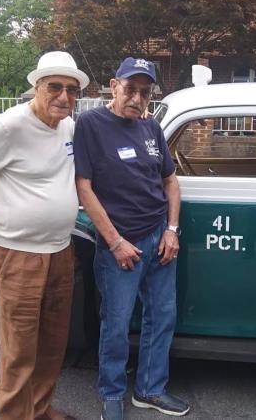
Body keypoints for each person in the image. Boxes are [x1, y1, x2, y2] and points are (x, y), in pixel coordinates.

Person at [0, 51, 89, 420]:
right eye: (54, 87)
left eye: (71, 90)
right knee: (19, 348)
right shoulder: (10, 126)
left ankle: (39, 411)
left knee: (52, 344)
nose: (64, 96)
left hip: (60, 250)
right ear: (37, 88)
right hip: (19, 254)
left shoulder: (68, 127)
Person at [73, 57, 190, 420]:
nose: (137, 97)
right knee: (117, 321)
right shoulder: (91, 124)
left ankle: (150, 390)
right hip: (120, 242)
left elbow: (170, 180)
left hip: (158, 237)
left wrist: (172, 230)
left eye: (144, 91)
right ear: (113, 85)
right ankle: (111, 391)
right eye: (130, 88)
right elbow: (84, 187)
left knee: (162, 316)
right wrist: (115, 241)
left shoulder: (151, 127)